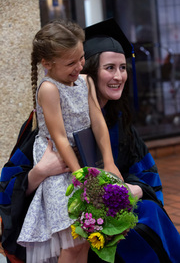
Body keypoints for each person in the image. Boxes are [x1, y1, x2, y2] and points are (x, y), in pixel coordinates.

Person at [0, 18, 180, 263]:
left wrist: (128, 191)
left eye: (123, 67)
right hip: (67, 208)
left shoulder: (120, 124)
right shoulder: (45, 119)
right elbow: (9, 187)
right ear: (91, 70)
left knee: (148, 215)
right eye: (110, 68)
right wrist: (40, 172)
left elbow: (147, 178)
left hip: (111, 209)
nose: (119, 76)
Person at [16, 19, 122, 263]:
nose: (79, 66)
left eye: (81, 58)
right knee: (72, 239)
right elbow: (60, 138)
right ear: (47, 64)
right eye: (70, 63)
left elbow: (98, 122)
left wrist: (109, 162)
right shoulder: (49, 89)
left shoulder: (86, 81)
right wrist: (81, 176)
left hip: (85, 159)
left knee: (86, 237)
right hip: (60, 166)